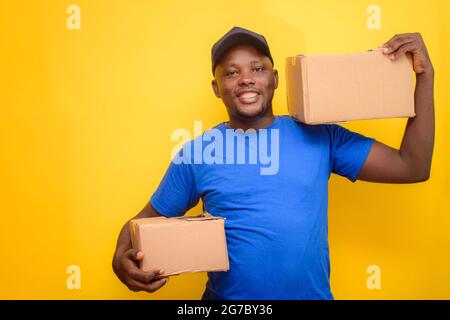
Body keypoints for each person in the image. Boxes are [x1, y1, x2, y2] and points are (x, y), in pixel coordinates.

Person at [112, 26, 435, 299]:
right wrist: (121, 262)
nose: (246, 79)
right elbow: (138, 226)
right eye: (231, 73)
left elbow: (412, 166)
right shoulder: (198, 152)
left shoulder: (320, 135)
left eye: (258, 68)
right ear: (216, 88)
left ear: (276, 78)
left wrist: (425, 79)